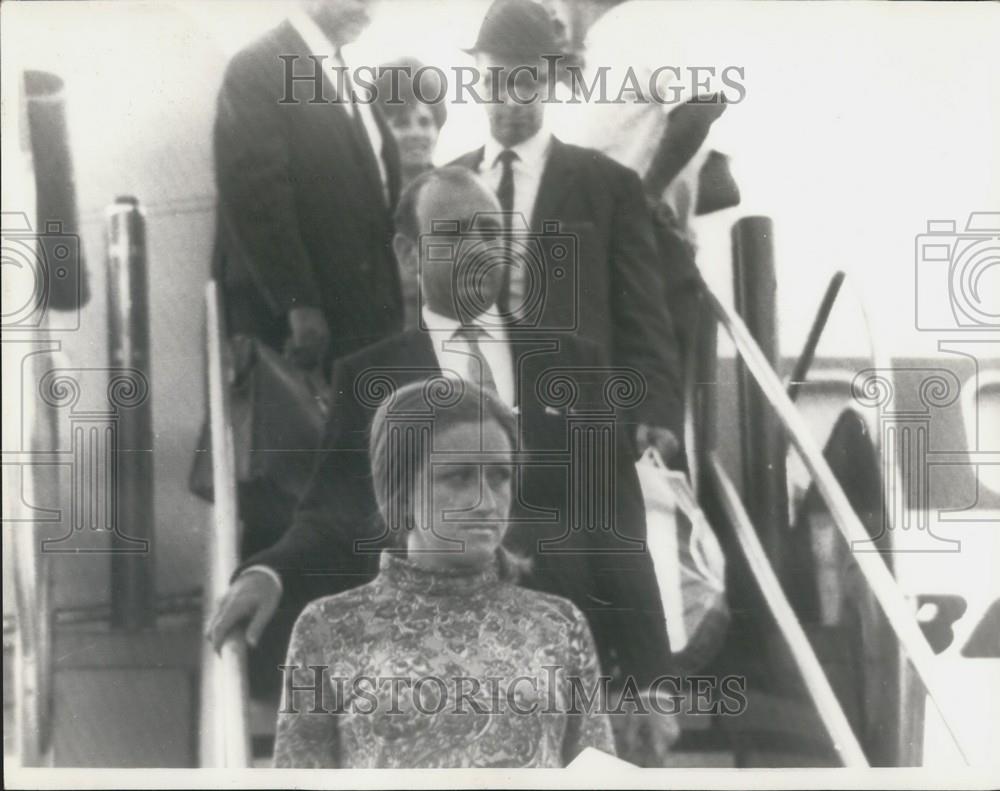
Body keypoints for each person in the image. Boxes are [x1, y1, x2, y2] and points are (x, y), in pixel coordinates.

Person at [209, 167, 672, 757]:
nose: (478, 249)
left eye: (489, 231)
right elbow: (330, 512)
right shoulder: (370, 375)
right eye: (454, 235)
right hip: (428, 667)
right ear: (409, 254)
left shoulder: (576, 365)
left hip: (558, 667)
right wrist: (266, 571)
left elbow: (620, 533)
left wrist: (651, 680)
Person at [272, 379, 615, 768]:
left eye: (499, 477)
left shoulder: (559, 624)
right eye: (459, 477)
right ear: (400, 491)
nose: (486, 502)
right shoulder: (329, 627)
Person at [451, 0, 686, 462]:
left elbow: (642, 310)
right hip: (472, 417)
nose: (512, 100)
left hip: (576, 422)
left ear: (551, 81)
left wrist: (656, 409)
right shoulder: (446, 185)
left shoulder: (609, 186)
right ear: (476, 80)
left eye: (527, 81)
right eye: (496, 81)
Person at [212, 0, 402, 371]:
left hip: (362, 327)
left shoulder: (340, 71)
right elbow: (255, 196)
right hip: (306, 336)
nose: (367, 7)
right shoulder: (258, 68)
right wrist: (298, 304)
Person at [373, 57, 448, 329]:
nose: (417, 133)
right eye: (402, 123)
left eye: (426, 121)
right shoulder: (368, 198)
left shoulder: (456, 194)